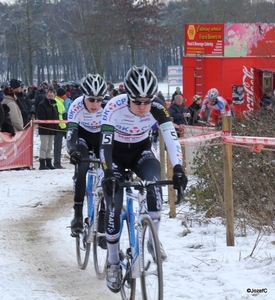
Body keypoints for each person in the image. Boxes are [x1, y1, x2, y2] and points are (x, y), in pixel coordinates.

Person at [100, 65, 188, 293]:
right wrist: (108, 172)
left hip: (140, 151)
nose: (143, 106)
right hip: (116, 155)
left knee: (154, 184)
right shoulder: (113, 107)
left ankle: (152, 239)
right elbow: (105, 144)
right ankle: (112, 262)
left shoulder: (159, 108)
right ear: (127, 96)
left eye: (147, 101)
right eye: (137, 101)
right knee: (114, 204)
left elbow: (171, 139)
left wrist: (178, 169)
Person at [66, 74, 108, 235]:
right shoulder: (76, 106)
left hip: (100, 137)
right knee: (82, 167)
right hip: (81, 136)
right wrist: (72, 150)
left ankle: (103, 215)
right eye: (91, 100)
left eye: (99, 100)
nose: (95, 104)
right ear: (84, 96)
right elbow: (71, 134)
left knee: (107, 170)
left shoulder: (107, 105)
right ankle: (77, 214)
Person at [36, 90, 59, 170]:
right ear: (46, 95)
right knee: (44, 146)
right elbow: (41, 117)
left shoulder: (54, 104)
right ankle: (42, 163)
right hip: (44, 129)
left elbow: (56, 116)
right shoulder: (42, 105)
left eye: (52, 96)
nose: (50, 97)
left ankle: (49, 162)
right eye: (49, 96)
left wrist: (55, 126)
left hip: (52, 128)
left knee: (49, 147)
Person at [54, 88, 67, 169]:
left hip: (60, 126)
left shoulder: (59, 101)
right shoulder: (58, 102)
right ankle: (57, 163)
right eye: (65, 94)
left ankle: (57, 162)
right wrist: (64, 127)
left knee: (58, 146)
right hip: (59, 127)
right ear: (62, 95)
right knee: (58, 146)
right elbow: (60, 116)